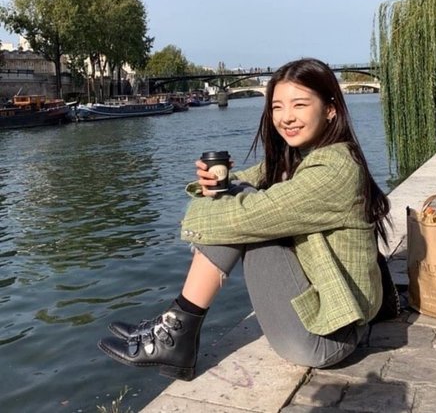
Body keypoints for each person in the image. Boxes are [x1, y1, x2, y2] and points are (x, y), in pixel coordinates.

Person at [98, 58, 391, 381]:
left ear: (330, 109)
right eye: (277, 107)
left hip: (328, 337)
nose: (286, 117)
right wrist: (212, 184)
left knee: (246, 220)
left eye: (299, 105)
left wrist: (208, 207)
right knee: (237, 198)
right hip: (319, 320)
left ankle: (178, 327)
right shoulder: (299, 156)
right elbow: (241, 183)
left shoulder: (335, 168)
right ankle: (176, 324)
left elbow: (241, 217)